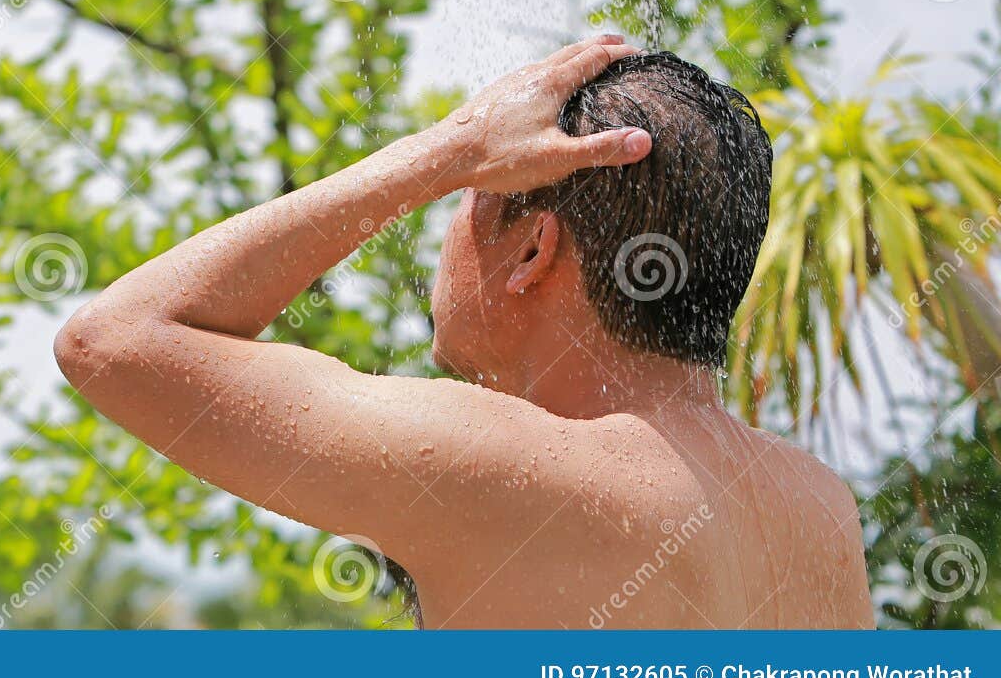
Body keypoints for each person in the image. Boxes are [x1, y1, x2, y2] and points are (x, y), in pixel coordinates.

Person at [54, 36, 874, 628]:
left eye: (471, 195)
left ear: (533, 249)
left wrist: (453, 146)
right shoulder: (817, 511)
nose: (444, 232)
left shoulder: (501, 466)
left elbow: (113, 338)